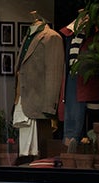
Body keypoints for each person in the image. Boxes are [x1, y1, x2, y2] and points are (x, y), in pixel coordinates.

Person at [13, 12, 65, 159]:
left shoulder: (52, 37)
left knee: (40, 151)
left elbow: (54, 73)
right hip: (24, 99)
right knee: (26, 152)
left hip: (39, 102)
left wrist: (50, 107)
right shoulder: (28, 36)